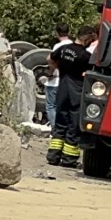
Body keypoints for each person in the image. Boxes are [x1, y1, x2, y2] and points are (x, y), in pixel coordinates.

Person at [48, 25, 96, 168]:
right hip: (76, 92)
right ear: (87, 39)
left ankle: (53, 156)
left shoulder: (63, 49)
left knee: (60, 123)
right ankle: (69, 159)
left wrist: (56, 69)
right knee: (73, 126)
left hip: (62, 89)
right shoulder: (85, 56)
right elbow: (90, 73)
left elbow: (50, 58)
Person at [43, 23, 73, 126]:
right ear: (69, 32)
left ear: (57, 33)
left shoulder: (58, 46)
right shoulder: (73, 46)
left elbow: (52, 62)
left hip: (55, 80)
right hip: (69, 82)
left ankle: (54, 129)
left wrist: (50, 74)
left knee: (51, 106)